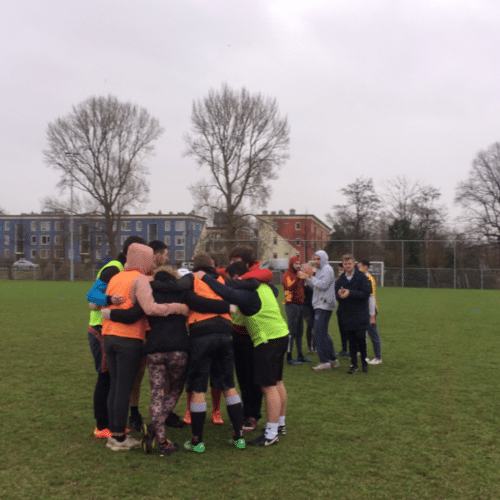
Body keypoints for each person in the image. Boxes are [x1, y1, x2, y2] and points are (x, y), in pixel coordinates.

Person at [102, 263, 233, 456]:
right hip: (179, 349)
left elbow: (133, 314)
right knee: (175, 389)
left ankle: (162, 440)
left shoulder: (149, 292)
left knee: (157, 394)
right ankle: (156, 428)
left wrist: (110, 313)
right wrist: (228, 307)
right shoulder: (182, 292)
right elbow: (202, 304)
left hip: (154, 350)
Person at [101, 243, 187, 451]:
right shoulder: (139, 279)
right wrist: (177, 307)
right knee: (124, 388)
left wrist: (110, 313)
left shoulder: (116, 277)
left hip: (109, 335)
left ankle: (114, 433)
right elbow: (150, 308)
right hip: (128, 338)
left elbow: (98, 302)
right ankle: (119, 438)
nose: (152, 263)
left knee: (115, 386)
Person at [195, 260, 289, 447]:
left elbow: (227, 293)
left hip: (267, 339)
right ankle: (280, 424)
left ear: (238, 278)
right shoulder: (263, 287)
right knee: (277, 382)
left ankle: (271, 433)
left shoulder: (249, 293)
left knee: (268, 386)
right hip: (281, 335)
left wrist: (204, 277)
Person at [181, 252, 246, 453]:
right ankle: (239, 436)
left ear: (194, 265)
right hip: (225, 331)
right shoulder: (221, 279)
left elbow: (184, 295)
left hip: (201, 331)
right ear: (212, 264)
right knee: (229, 385)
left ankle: (197, 441)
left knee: (198, 388)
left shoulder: (191, 279)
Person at [86, 235, 145, 439]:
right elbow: (91, 296)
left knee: (113, 378)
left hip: (110, 329)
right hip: (99, 329)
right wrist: (110, 299)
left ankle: (113, 423)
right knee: (105, 377)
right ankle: (102, 425)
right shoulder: (114, 269)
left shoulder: (126, 271)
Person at [218, 245, 273, 433]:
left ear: (247, 263)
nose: (231, 264)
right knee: (242, 375)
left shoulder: (256, 275)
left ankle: (253, 415)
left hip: (254, 333)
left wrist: (239, 279)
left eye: (236, 260)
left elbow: (267, 274)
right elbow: (219, 272)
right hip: (237, 331)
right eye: (231, 260)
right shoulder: (236, 275)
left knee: (253, 377)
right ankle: (245, 412)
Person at [302, 250, 339, 371]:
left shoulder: (327, 269)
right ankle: (333, 360)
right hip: (320, 304)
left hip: (325, 304)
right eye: (315, 259)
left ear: (323, 259)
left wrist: (310, 277)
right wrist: (307, 278)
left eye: (318, 259)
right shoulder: (319, 270)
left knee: (318, 333)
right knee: (323, 333)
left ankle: (324, 361)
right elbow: (315, 286)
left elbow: (323, 285)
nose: (316, 261)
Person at [334, 254, 372, 374]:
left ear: (354, 264)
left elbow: (366, 293)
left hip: (360, 314)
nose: (348, 266)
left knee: (361, 339)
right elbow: (336, 295)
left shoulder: (361, 277)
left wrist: (350, 293)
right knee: (351, 341)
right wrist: (340, 295)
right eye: (345, 264)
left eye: (350, 263)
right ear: (343, 265)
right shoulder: (341, 279)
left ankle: (364, 362)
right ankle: (353, 364)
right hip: (347, 314)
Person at [283, 256, 311, 364]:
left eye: (299, 263)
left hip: (300, 305)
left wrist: (307, 275)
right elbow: (289, 286)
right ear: (291, 264)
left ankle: (300, 355)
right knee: (292, 332)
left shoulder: (299, 274)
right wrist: (298, 278)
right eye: (296, 263)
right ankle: (289, 357)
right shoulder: (287, 274)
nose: (298, 266)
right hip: (291, 305)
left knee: (300, 331)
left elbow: (306, 283)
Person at [358, 260, 382, 365]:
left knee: (373, 334)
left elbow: (371, 298)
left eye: (359, 266)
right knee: (362, 333)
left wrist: (372, 315)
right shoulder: (361, 278)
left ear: (365, 267)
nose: (358, 268)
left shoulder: (369, 279)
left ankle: (378, 358)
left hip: (369, 311)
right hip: (363, 310)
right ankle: (364, 355)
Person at [335, 263, 349, 358]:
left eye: (342, 269)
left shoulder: (350, 280)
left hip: (350, 309)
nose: (340, 271)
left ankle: (352, 351)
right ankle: (344, 349)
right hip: (341, 308)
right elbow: (335, 293)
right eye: (339, 269)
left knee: (350, 331)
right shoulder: (339, 280)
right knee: (342, 330)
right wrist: (339, 295)